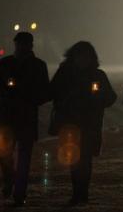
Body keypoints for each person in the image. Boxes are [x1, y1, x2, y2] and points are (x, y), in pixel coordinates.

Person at [49, 41, 117, 205]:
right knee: (74, 158)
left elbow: (111, 97)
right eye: (80, 56)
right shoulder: (64, 73)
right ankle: (77, 192)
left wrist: (98, 98)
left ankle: (82, 193)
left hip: (89, 124)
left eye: (86, 56)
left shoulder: (98, 75)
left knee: (84, 159)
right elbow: (52, 91)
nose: (83, 59)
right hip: (70, 123)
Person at [0, 32, 49, 206]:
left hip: (25, 116)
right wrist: (6, 91)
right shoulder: (6, 63)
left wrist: (29, 96)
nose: (22, 47)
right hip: (8, 116)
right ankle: (10, 180)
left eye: (25, 44)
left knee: (23, 157)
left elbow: (45, 92)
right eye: (19, 44)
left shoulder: (38, 66)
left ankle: (19, 192)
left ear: (30, 45)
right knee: (5, 154)